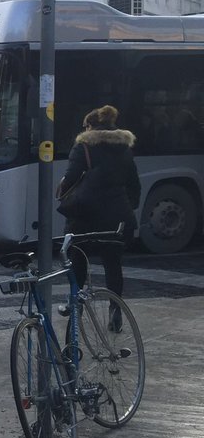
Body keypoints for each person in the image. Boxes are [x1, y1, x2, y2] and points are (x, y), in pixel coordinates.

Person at [56, 105, 140, 330]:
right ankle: (115, 312)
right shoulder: (124, 149)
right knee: (113, 264)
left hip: (86, 215)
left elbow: (71, 178)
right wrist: (126, 207)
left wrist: (61, 193)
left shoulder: (83, 146)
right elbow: (134, 184)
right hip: (117, 216)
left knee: (78, 257)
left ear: (90, 126)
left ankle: (76, 306)